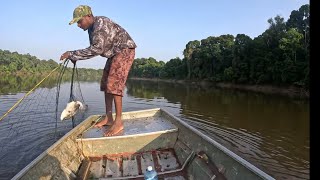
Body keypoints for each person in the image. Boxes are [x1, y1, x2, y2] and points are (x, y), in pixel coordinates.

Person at [60, 5, 137, 136]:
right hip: (114, 54)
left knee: (114, 84)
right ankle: (108, 117)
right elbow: (94, 48)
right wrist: (75, 57)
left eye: (79, 21)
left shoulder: (100, 25)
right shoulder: (91, 29)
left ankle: (118, 122)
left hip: (124, 50)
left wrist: (72, 54)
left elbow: (97, 49)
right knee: (106, 83)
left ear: (89, 16)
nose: (78, 25)